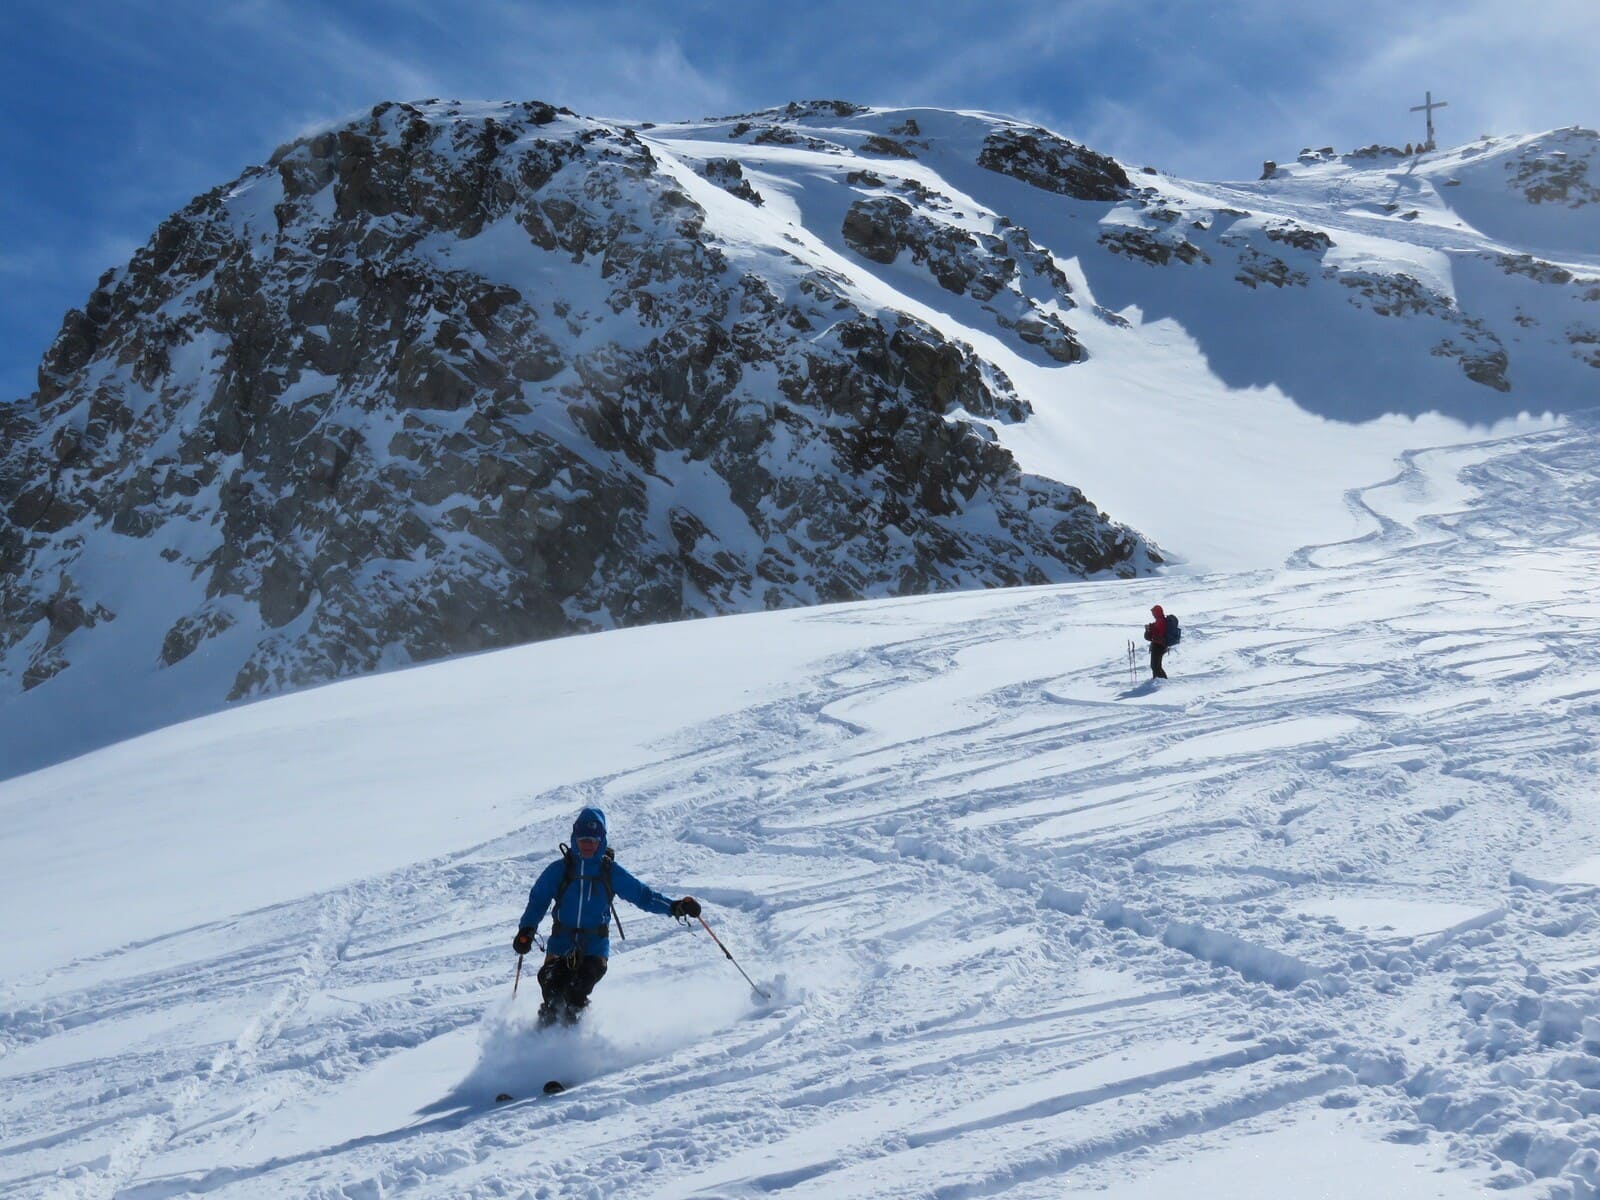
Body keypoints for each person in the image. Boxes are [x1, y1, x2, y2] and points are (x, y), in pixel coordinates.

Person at [512, 806, 700, 1026]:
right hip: (560, 944)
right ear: (575, 839)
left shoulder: (609, 871)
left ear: (601, 841)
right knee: (551, 987)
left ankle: (576, 1041)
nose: (588, 845)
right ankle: (541, 1040)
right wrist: (527, 930)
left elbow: (643, 896)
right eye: (583, 840)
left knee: (576, 991)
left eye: (593, 841)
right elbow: (538, 901)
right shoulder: (559, 870)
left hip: (594, 948)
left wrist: (674, 907)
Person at [1143, 604, 1172, 680]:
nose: (1152, 614)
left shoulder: (1161, 621)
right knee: (1156, 666)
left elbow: (1157, 634)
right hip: (1160, 645)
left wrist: (1150, 629)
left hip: (1159, 646)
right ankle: (1158, 680)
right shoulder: (1160, 620)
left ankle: (1161, 682)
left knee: (1155, 666)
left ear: (1157, 612)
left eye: (1153, 612)